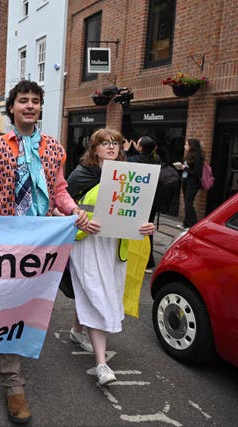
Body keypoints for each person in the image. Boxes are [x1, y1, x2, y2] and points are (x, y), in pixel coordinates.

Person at [0, 80, 88, 424]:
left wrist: (72, 210)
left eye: (36, 101)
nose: (30, 106)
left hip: (41, 243)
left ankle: (6, 350)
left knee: (28, 306)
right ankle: (13, 385)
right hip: (4, 241)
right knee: (7, 307)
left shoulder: (54, 148)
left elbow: (60, 190)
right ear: (12, 108)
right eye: (24, 101)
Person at [66, 128, 155, 387]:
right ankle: (101, 363)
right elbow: (61, 206)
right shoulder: (82, 174)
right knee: (97, 295)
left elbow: (135, 212)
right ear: (94, 148)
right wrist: (79, 221)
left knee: (100, 293)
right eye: (104, 143)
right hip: (88, 244)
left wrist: (145, 226)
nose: (110, 146)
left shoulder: (129, 177)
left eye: (115, 143)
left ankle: (76, 330)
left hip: (116, 245)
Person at [127, 136, 161, 272]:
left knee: (133, 228)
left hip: (136, 199)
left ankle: (132, 258)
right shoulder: (156, 160)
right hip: (152, 199)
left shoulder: (133, 160)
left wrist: (125, 150)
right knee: (147, 230)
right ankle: (148, 262)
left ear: (140, 147)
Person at [173, 138, 204, 229]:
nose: (185, 146)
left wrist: (184, 168)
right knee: (187, 202)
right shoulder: (189, 155)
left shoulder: (198, 157)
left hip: (193, 183)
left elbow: (197, 173)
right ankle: (186, 223)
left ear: (192, 146)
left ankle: (193, 225)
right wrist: (180, 167)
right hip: (185, 181)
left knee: (189, 203)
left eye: (186, 144)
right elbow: (188, 169)